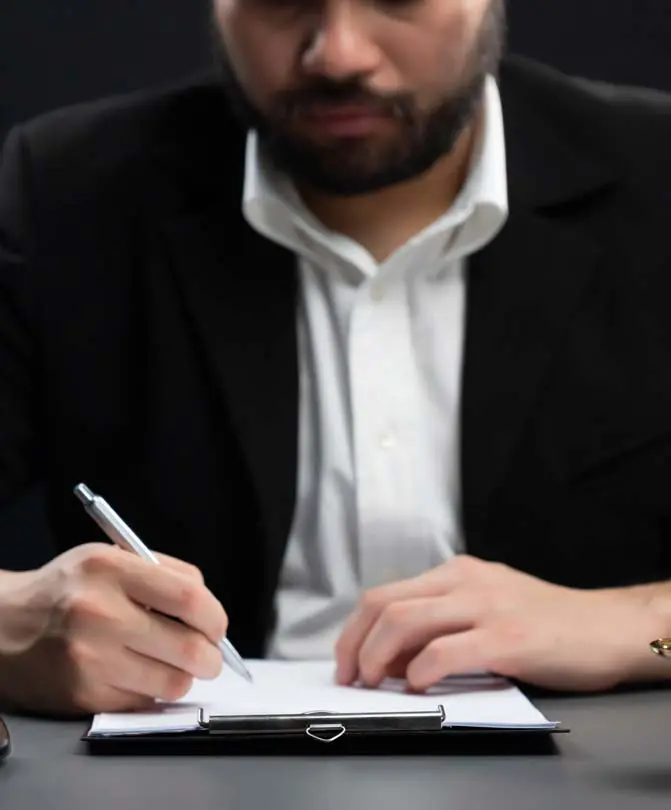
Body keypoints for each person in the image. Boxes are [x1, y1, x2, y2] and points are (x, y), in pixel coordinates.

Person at [1, 0, 671, 718]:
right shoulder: (66, 191)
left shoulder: (656, 172)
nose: (338, 54)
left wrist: (641, 625)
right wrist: (12, 625)